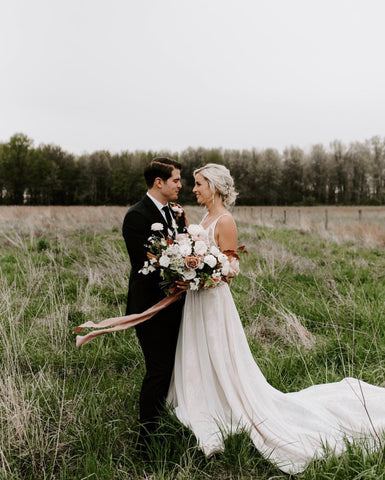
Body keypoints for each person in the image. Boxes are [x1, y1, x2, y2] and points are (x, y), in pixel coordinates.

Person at [166, 163, 385, 475]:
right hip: (197, 299)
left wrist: (202, 273)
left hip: (213, 300)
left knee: (220, 352)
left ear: (213, 187)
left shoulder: (225, 220)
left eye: (199, 183)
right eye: (194, 184)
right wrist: (189, 268)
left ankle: (228, 402)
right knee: (199, 350)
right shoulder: (204, 217)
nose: (194, 189)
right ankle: (204, 396)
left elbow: (230, 270)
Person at [122, 157, 187, 445]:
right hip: (151, 307)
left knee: (176, 367)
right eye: (175, 180)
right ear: (158, 182)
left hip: (178, 305)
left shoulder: (175, 212)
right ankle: (146, 440)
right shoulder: (136, 216)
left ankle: (172, 422)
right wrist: (178, 276)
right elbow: (143, 265)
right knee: (159, 370)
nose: (180, 185)